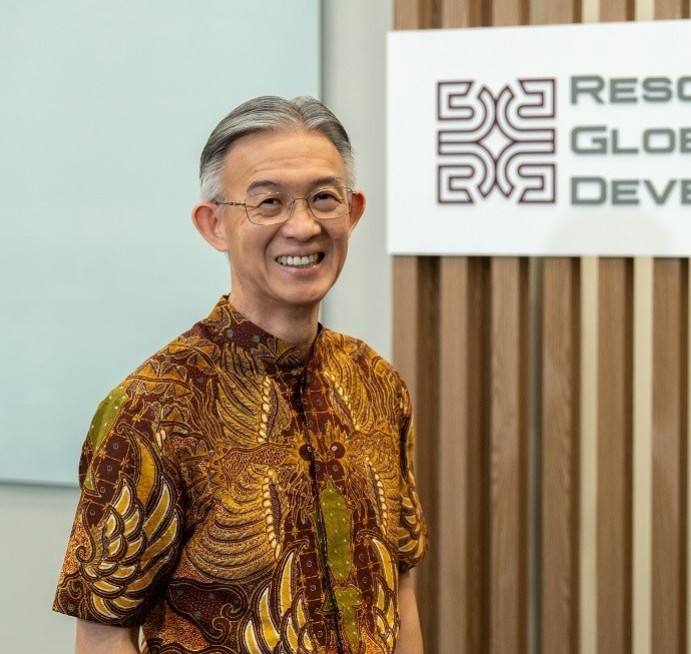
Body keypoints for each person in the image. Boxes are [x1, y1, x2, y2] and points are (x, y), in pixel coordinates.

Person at [52, 96, 427, 654]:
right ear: (214, 224)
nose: (302, 226)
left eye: (324, 198)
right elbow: (102, 634)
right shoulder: (152, 407)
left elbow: (399, 588)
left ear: (352, 212)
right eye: (268, 202)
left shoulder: (376, 381)